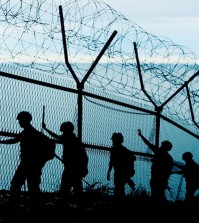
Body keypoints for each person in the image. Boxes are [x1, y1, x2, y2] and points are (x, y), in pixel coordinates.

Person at [0, 111, 47, 209]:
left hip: (27, 164)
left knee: (16, 184)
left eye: (20, 120)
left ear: (24, 120)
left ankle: (14, 206)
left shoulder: (28, 132)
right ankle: (36, 207)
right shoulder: (33, 132)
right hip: (34, 165)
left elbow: (14, 140)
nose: (19, 123)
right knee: (33, 186)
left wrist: (1, 141)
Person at [42, 121, 88, 208]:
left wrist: (78, 165)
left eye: (63, 131)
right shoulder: (72, 139)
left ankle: (65, 204)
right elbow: (57, 137)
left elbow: (83, 156)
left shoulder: (72, 140)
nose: (62, 133)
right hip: (73, 167)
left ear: (67, 131)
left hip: (73, 168)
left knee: (67, 186)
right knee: (75, 186)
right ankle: (77, 204)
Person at [137, 129, 173, 206]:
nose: (160, 146)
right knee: (160, 194)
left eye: (162, 145)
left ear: (165, 147)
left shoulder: (159, 152)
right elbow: (168, 170)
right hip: (161, 179)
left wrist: (141, 135)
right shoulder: (168, 157)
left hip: (157, 178)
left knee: (157, 195)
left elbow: (148, 144)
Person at [107, 132, 136, 199]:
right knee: (118, 187)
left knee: (118, 187)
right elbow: (111, 162)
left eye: (114, 140)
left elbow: (133, 157)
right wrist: (108, 172)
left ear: (118, 140)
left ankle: (119, 201)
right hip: (118, 172)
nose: (112, 141)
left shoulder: (123, 150)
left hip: (122, 172)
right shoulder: (114, 150)